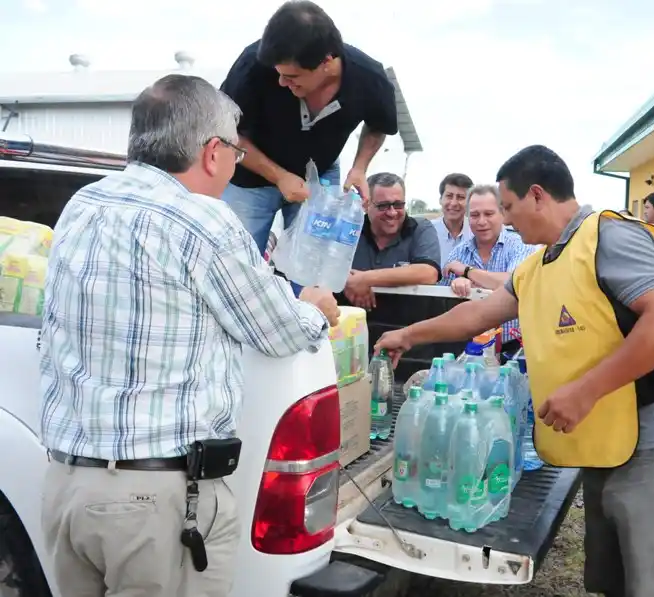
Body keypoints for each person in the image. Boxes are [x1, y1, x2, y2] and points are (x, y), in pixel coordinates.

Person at [38, 74, 339, 597]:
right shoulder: (203, 221)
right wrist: (314, 308)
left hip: (67, 487)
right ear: (212, 152)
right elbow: (279, 331)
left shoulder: (82, 204)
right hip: (153, 504)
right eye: (235, 156)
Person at [375, 145, 654, 597]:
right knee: (619, 580)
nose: (508, 220)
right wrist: (410, 335)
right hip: (610, 440)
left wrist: (586, 390)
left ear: (537, 195)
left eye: (510, 208)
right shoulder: (538, 265)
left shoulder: (609, 236)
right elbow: (477, 316)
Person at [219, 0, 398, 255]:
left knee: (312, 264)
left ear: (326, 61)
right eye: (278, 73)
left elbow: (379, 124)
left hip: (319, 174)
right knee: (236, 261)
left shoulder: (370, 78)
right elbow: (227, 133)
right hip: (249, 178)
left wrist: (360, 168)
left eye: (291, 76)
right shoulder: (252, 66)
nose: (281, 82)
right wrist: (279, 176)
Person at [439, 183, 538, 349]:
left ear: (502, 214)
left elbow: (513, 282)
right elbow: (440, 302)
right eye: (475, 215)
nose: (481, 221)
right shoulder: (458, 253)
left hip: (516, 346)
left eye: (489, 214)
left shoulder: (521, 245)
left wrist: (467, 272)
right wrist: (457, 288)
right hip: (468, 349)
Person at [343, 172, 440, 309]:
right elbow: (324, 267)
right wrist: (345, 279)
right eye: (383, 206)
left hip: (406, 326)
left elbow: (428, 273)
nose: (392, 212)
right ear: (366, 205)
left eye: (398, 205)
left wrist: (364, 279)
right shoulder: (349, 229)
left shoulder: (420, 228)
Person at [430, 173, 474, 263]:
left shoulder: (476, 231)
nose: (453, 203)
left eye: (461, 197)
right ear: (440, 199)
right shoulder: (427, 232)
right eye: (449, 196)